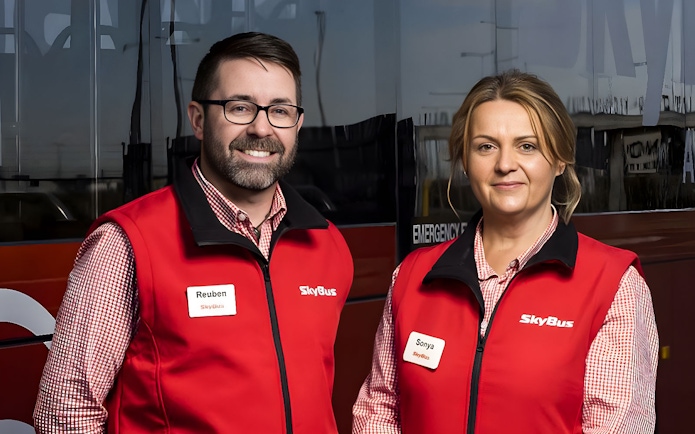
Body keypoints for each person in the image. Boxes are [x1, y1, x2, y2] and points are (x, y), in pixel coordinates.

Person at [34, 31, 353, 433]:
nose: (261, 128)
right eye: (240, 107)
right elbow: (64, 411)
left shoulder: (328, 246)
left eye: (280, 111)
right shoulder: (126, 244)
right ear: (199, 120)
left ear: (297, 124)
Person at [352, 69, 658, 433]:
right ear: (465, 161)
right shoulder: (412, 277)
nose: (504, 164)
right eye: (486, 146)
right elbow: (378, 409)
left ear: (560, 160)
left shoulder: (612, 286)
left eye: (527, 146)